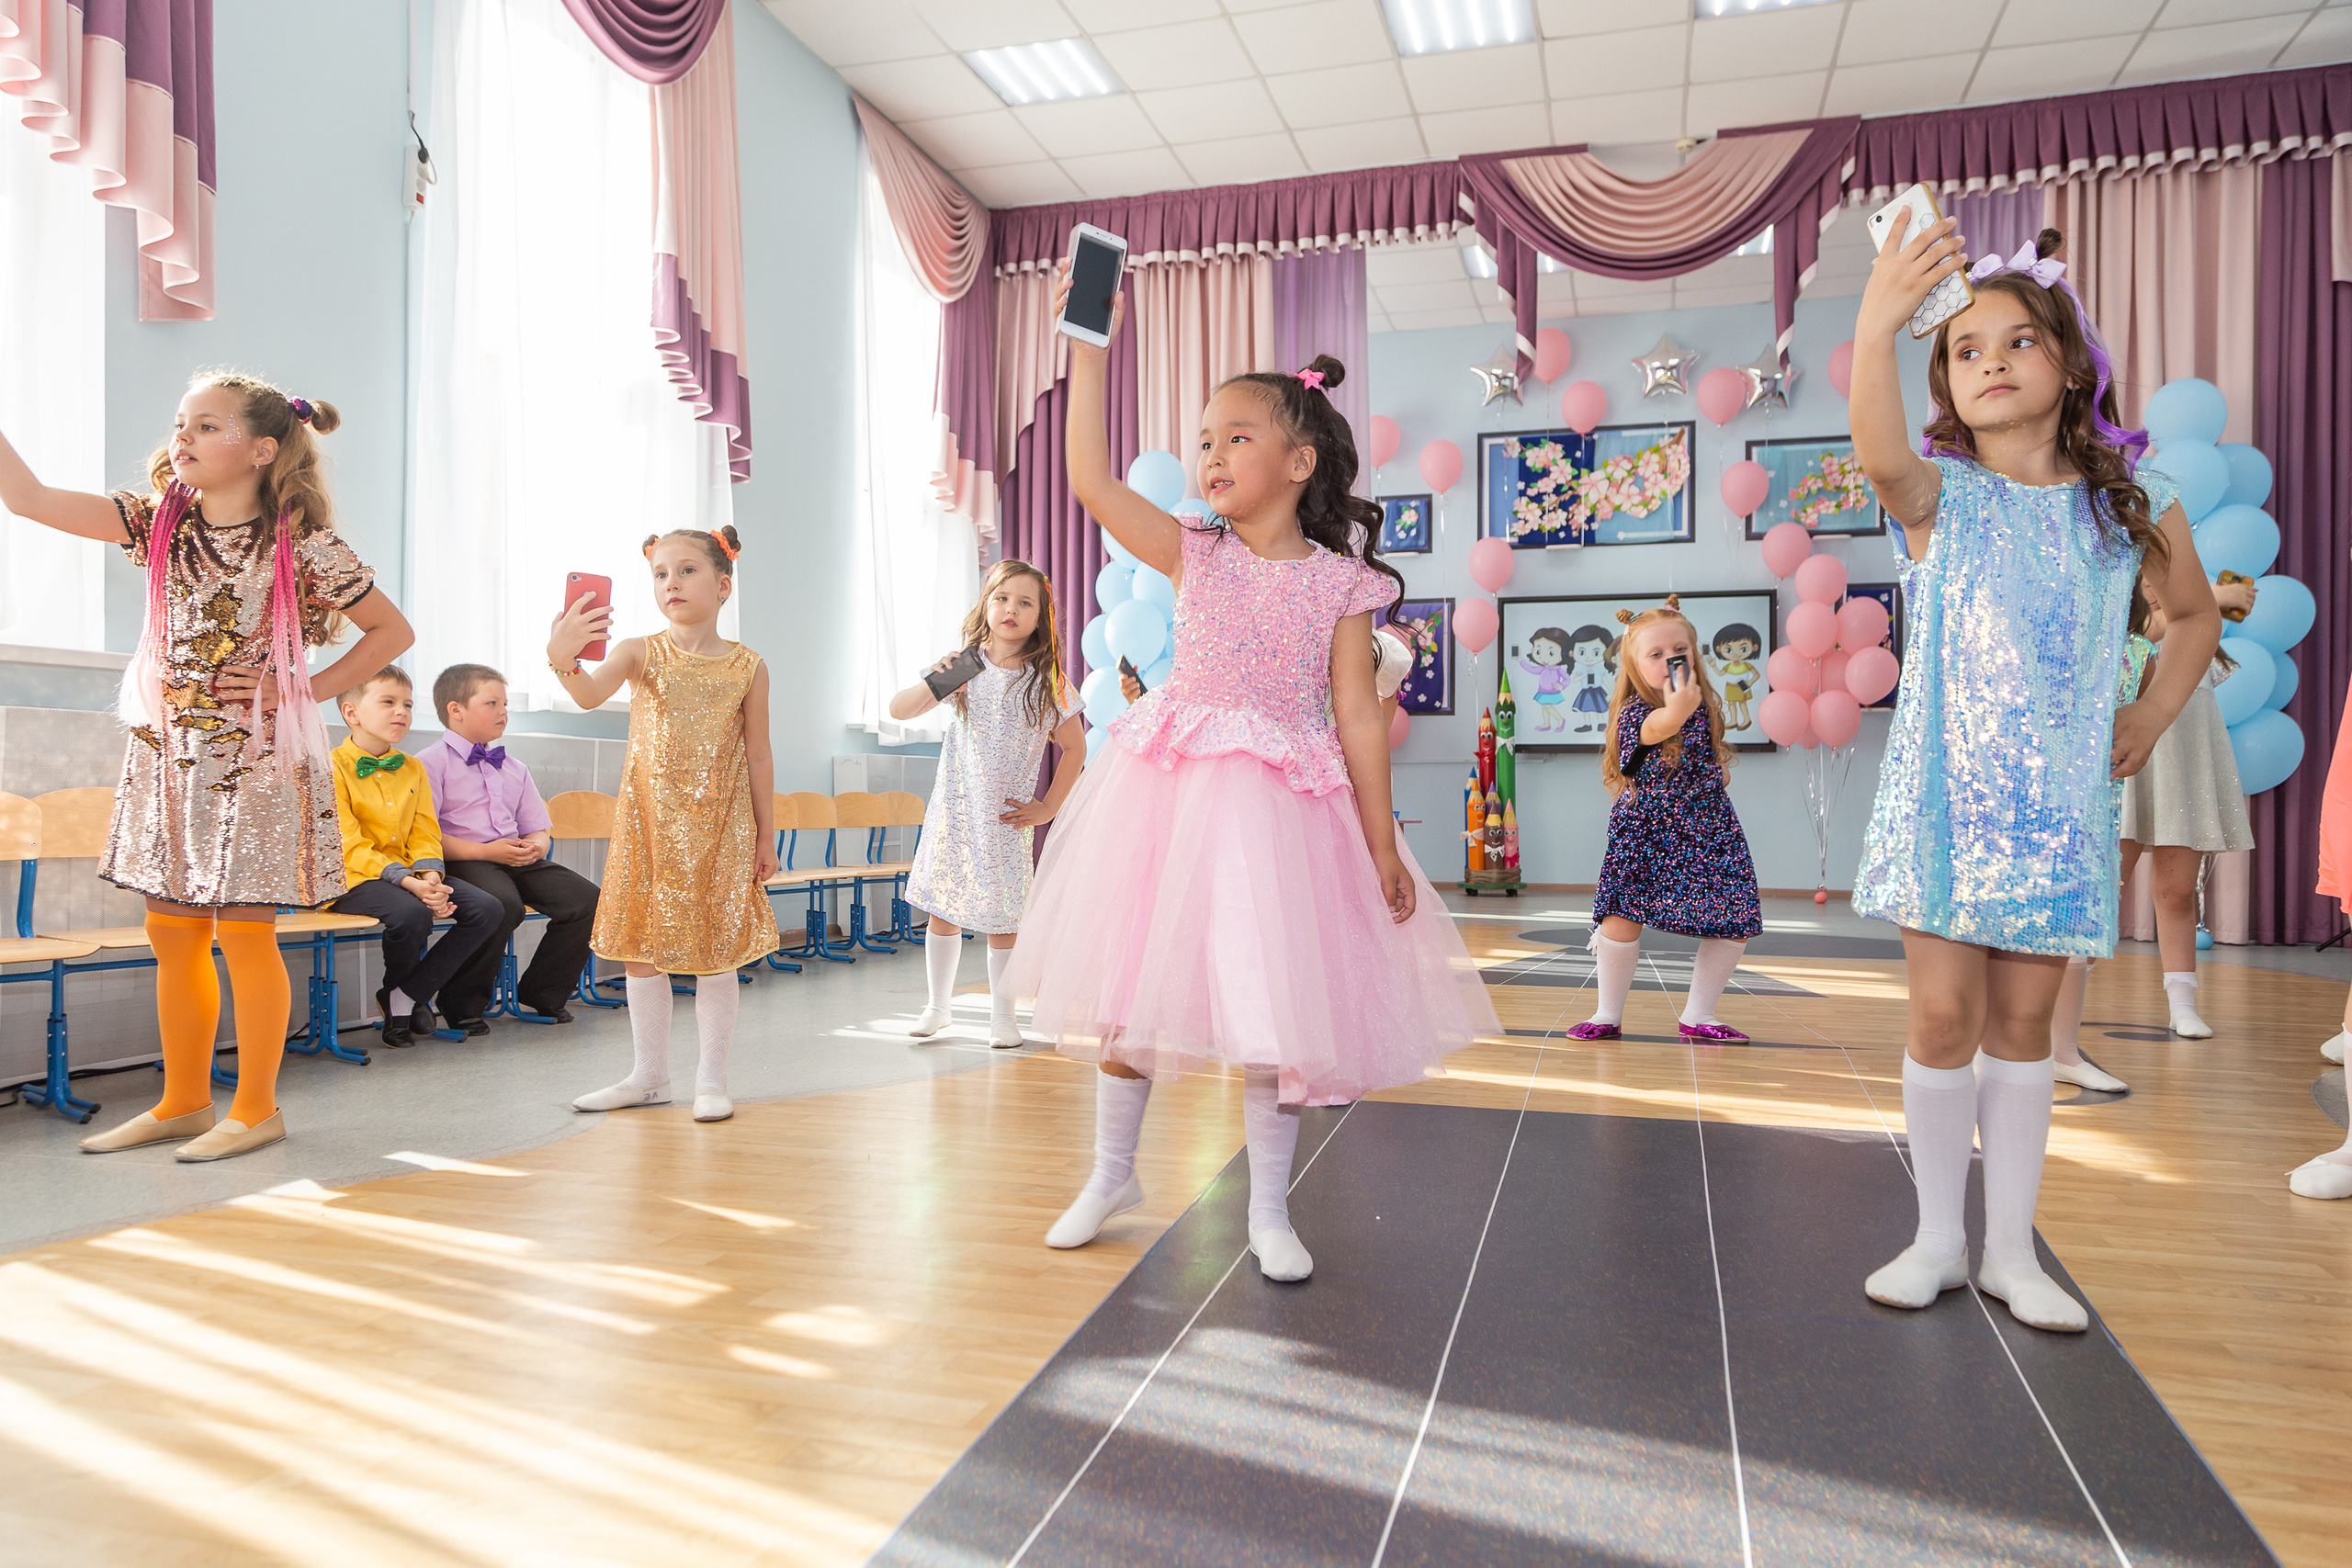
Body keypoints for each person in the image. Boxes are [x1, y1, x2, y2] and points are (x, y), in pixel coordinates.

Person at [1006, 266, 1498, 1284]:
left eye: (1236, 437)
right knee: (1128, 990)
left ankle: (1269, 1209)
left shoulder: (1341, 584)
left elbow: (1358, 717)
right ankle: (1110, 1175)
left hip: (1283, 810)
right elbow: (1091, 481)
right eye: (1204, 440)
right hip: (1169, 797)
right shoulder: (1194, 550)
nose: (1211, 455)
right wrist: (1087, 351)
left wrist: (1379, 846)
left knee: (1276, 1012)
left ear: (1298, 461)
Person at [1849, 225, 2222, 1332]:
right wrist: (1876, 323)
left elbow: (2192, 617)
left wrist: (2151, 711)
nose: (1993, 361)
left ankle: (2010, 1250)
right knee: (1940, 1014)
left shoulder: (2130, 503)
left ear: (2069, 362)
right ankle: (1936, 1238)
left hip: (2058, 808)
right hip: (1942, 801)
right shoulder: (1943, 497)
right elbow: (1879, 455)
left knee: (2022, 1027)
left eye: (2019, 340)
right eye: (1966, 350)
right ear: (1946, 385)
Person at [0, 373, 411, 1160]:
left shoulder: (302, 543)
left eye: (208, 424)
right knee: (172, 931)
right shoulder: (157, 522)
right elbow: (30, 499)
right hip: (171, 756)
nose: (183, 436)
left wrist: (296, 687)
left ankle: (256, 1109)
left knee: (245, 934)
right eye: (181, 422)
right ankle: (184, 1100)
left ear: (261, 449)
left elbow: (391, 631)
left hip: (255, 759)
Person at [548, 526, 778, 1123]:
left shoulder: (748, 667)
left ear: (723, 585)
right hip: (648, 825)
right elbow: (588, 695)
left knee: (715, 950)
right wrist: (562, 657)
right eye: (660, 574)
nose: (671, 582)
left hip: (721, 828)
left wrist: (766, 834)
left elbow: (758, 755)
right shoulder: (638, 651)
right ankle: (648, 1076)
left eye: (686, 570)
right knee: (640, 949)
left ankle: (712, 1079)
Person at [889, 560, 1085, 1048]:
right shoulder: (964, 665)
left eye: (1025, 603)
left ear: (1040, 617)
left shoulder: (1046, 680)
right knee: (943, 909)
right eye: (1002, 598)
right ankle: (938, 1007)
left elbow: (1075, 748)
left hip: (1004, 820)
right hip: (955, 814)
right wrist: (937, 681)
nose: (1011, 609)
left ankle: (1003, 1017)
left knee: (1004, 921)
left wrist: (1048, 808)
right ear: (986, 605)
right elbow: (900, 710)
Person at [1571, 598, 1762, 1044]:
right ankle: (1607, 1014)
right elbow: (1658, 728)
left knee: (1735, 914)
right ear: (1635, 665)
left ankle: (1699, 1014)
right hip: (1647, 829)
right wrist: (1679, 707)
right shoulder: (1635, 710)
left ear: (1695, 653)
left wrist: (1715, 768)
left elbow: (1705, 757)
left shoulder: (1703, 705)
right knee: (1622, 915)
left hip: (1708, 827)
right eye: (1655, 654)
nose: (1670, 660)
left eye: (1680, 650)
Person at [422, 663, 603, 1029]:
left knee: (588, 901)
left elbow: (538, 828)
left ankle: (542, 991)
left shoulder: (514, 767)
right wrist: (487, 852)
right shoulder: (428, 764)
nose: (503, 712)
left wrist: (535, 846)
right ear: (456, 710)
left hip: (515, 858)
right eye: (492, 703)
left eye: (505, 704)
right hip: (465, 859)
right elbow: (426, 837)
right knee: (503, 906)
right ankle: (461, 1003)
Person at [328, 668, 503, 1044]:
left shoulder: (413, 768)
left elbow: (425, 832)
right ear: (351, 713)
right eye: (388, 702)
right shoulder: (330, 768)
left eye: (407, 704)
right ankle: (402, 1006)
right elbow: (349, 844)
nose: (401, 712)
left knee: (487, 909)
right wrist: (410, 884)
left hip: (410, 875)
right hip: (352, 876)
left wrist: (430, 877)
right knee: (411, 914)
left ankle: (405, 995)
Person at [2117, 581, 2257, 1039]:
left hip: (2186, 759)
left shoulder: (2196, 626)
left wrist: (2205, 603)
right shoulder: (2128, 619)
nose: (2155, 585)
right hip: (2130, 757)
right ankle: (2064, 998)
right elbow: (2145, 632)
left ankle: (2182, 1004)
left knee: (2178, 890)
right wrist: (2214, 596)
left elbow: (2186, 632)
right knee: (2106, 886)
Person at [2047, 587, 2159, 1092]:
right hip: (2027, 799)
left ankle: (2062, 1051)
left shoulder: (2138, 652)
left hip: (2091, 810)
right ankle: (2007, 1047)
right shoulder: (2046, 634)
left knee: (2076, 926)